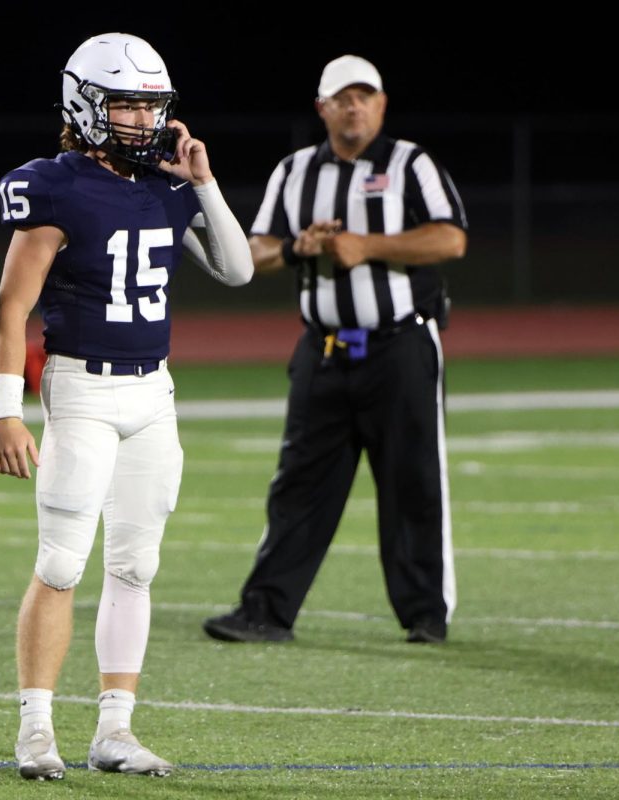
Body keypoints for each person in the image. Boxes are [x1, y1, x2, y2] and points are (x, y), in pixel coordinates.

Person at [0, 33, 253, 780]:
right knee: (63, 564)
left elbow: (235, 269)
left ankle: (115, 729)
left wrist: (203, 182)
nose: (141, 118)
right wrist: (5, 408)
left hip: (153, 392)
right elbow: (12, 308)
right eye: (125, 103)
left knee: (136, 567)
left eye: (149, 103)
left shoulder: (171, 186)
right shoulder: (54, 185)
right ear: (85, 105)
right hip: (82, 387)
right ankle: (36, 729)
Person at [202, 55, 467, 646]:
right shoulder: (296, 171)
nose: (354, 107)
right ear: (321, 107)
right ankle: (266, 610)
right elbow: (254, 254)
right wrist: (300, 247)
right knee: (297, 485)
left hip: (400, 347)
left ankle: (425, 615)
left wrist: (365, 245)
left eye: (364, 96)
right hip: (321, 352)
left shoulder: (410, 164)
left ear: (382, 103)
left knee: (414, 482)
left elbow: (451, 238)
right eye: (342, 98)